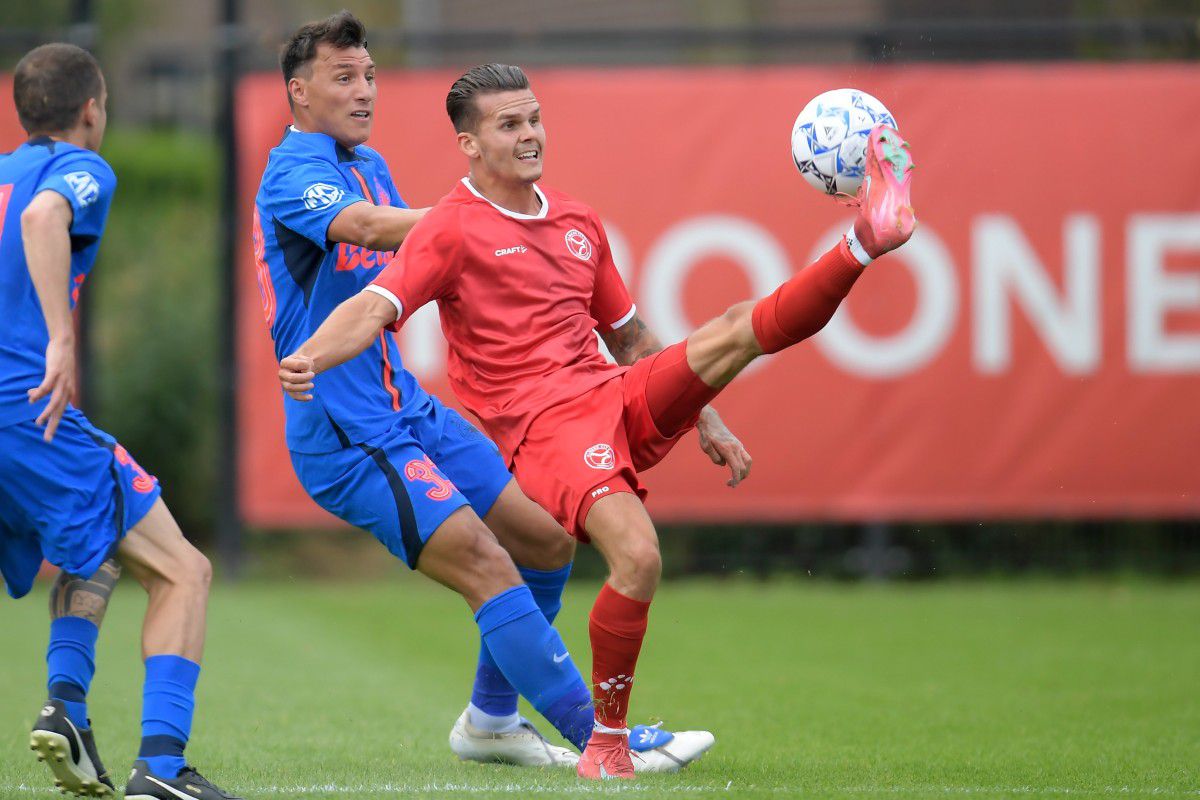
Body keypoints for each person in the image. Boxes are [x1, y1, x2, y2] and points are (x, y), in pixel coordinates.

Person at [278, 63, 916, 780]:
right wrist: (309, 356)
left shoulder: (577, 221)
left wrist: (702, 415)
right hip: (547, 429)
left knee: (734, 329)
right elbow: (373, 306)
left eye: (533, 119)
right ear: (469, 144)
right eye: (508, 125)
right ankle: (606, 745)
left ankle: (864, 238)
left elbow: (633, 338)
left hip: (611, 394)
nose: (528, 135)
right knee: (638, 558)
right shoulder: (451, 228)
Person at [256, 14, 711, 773]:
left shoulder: (368, 161)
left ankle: (492, 721)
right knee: (484, 563)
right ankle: (604, 738)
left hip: (407, 409)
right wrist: (486, 220)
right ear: (299, 93)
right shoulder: (293, 169)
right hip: (345, 428)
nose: (364, 90)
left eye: (368, 75)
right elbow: (367, 229)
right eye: (344, 77)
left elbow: (414, 266)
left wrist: (488, 232)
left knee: (543, 537)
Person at [0, 44, 239, 799]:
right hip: (26, 411)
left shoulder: (0, 172)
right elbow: (45, 218)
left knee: (96, 541)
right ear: (93, 110)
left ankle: (67, 707)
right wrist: (61, 339)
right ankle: (161, 772)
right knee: (184, 571)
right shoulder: (81, 169)